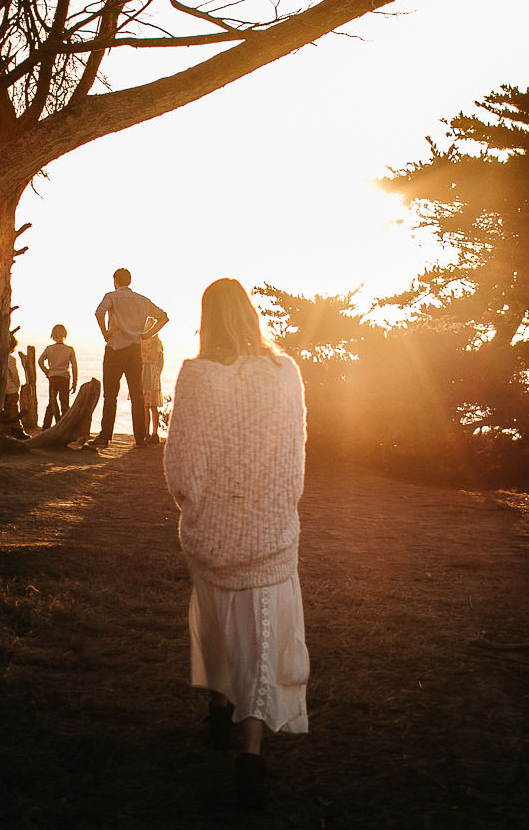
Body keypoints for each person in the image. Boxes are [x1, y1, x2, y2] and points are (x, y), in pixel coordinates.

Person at [162, 278, 308, 812]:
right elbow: (295, 454)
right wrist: (278, 505)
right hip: (270, 532)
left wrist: (196, 506)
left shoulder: (197, 376)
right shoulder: (285, 372)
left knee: (220, 626)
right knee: (263, 641)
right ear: (250, 316)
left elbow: (183, 465)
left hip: (214, 532)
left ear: (207, 318)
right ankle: (250, 753)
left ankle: (217, 715)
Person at [93, 267, 168, 449]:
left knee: (110, 395)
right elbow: (163, 317)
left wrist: (105, 333)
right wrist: (146, 335)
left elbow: (99, 312)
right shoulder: (142, 300)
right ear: (130, 281)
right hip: (134, 349)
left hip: (115, 348)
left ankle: (105, 436)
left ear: (115, 281)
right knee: (137, 394)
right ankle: (140, 438)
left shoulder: (111, 296)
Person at [38, 324, 79, 428]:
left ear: (53, 335)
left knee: (52, 402)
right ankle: (64, 427)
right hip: (64, 378)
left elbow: (40, 361)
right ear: (65, 335)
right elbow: (74, 367)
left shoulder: (49, 348)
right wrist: (75, 382)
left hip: (53, 377)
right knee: (64, 404)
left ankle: (46, 426)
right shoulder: (69, 349)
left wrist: (47, 372)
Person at [140, 327, 165, 440]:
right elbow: (161, 362)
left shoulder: (142, 341)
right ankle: (154, 433)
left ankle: (146, 433)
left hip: (144, 372)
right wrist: (157, 372)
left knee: (145, 405)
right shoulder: (158, 343)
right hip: (154, 373)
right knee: (153, 405)